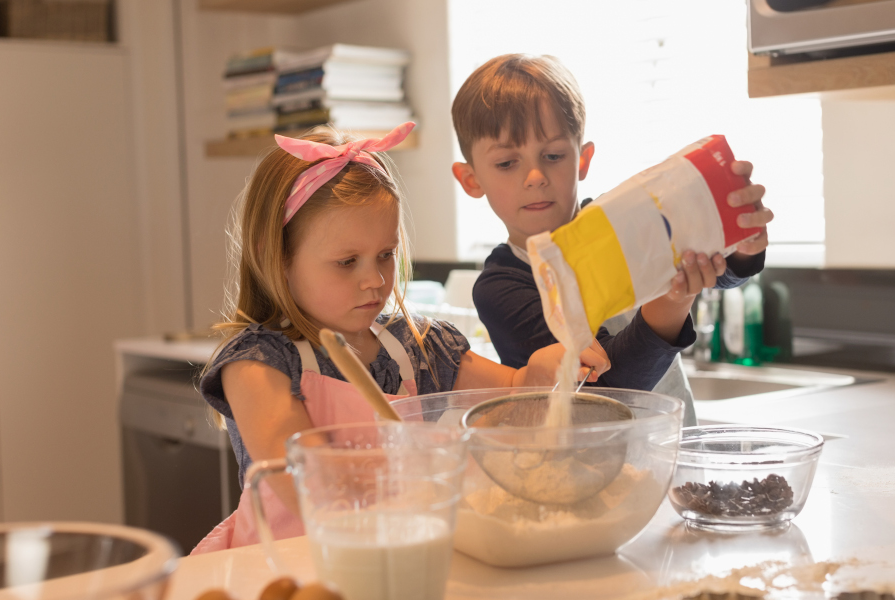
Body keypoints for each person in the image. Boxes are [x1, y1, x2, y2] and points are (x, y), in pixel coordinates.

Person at [191, 123, 609, 554]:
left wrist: (542, 373)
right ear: (275, 255)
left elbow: (513, 401)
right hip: (288, 574)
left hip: (398, 561)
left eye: (386, 255)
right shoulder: (259, 365)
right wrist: (433, 461)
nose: (374, 280)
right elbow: (309, 481)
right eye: (347, 261)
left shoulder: (416, 346)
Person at [450, 54, 773, 424]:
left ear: (583, 159)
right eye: (508, 163)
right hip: (580, 470)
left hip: (672, 451)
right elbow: (607, 392)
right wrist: (673, 301)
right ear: (471, 179)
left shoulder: (619, 224)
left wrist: (740, 247)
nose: (535, 176)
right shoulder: (502, 288)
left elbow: (712, 271)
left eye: (553, 155)